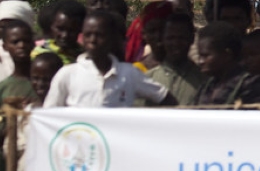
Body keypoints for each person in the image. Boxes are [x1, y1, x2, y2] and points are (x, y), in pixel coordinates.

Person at [44, 10, 175, 108]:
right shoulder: (68, 74)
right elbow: (49, 115)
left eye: (99, 35)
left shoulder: (128, 73)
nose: (93, 40)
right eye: (88, 35)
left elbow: (164, 96)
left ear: (112, 39)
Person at [192, 23, 260, 107]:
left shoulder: (251, 87)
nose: (201, 61)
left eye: (206, 56)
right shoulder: (206, 87)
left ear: (227, 54)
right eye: (200, 56)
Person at [0, 20, 37, 127]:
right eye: (15, 42)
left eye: (26, 41)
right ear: (5, 46)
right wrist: (13, 115)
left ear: (33, 43)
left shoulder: (48, 81)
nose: (21, 45)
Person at [144, 13, 203, 106]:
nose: (176, 43)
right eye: (170, 38)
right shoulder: (148, 79)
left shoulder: (204, 81)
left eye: (181, 38)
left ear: (191, 38)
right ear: (162, 39)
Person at [32, 0, 86, 65]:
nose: (65, 35)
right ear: (51, 26)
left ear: (80, 29)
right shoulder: (38, 55)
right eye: (60, 29)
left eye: (71, 30)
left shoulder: (86, 57)